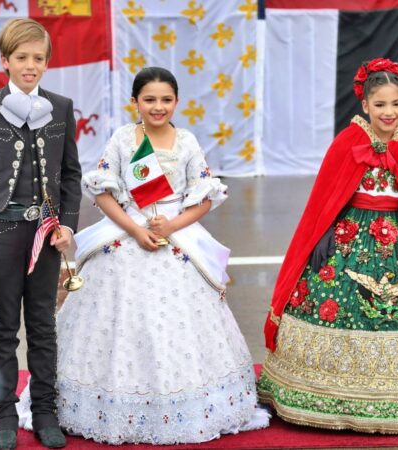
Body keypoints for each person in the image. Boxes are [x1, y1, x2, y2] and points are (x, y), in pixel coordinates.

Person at [27, 66, 267, 445]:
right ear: (135, 102)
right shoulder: (123, 140)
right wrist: (137, 230)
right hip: (128, 231)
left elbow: (204, 197)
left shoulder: (186, 141)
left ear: (177, 102)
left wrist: (171, 227)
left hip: (176, 232)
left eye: (166, 100)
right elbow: (103, 192)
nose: (159, 107)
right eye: (150, 99)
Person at [259, 58, 398, 434]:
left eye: (396, 104)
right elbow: (328, 195)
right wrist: (324, 231)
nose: (388, 113)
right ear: (364, 104)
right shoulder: (349, 140)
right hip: (353, 233)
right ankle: (331, 395)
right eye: (380, 105)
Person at [0, 18, 81, 450]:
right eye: (21, 58)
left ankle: (45, 411)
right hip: (2, 230)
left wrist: (68, 226)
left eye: (38, 58)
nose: (30, 66)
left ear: (46, 63)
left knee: (42, 325)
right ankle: (2, 412)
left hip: (45, 232)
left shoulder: (61, 107)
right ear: (5, 61)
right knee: (3, 328)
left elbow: (72, 175)